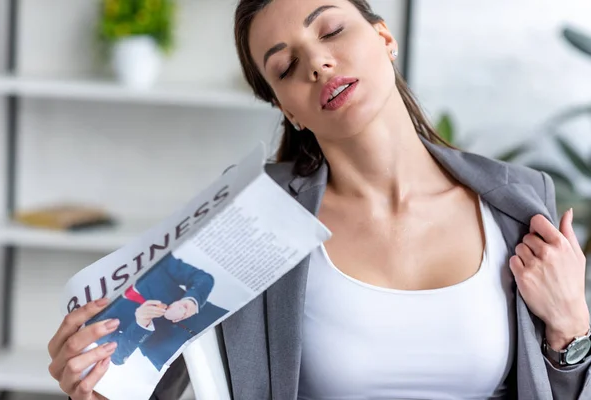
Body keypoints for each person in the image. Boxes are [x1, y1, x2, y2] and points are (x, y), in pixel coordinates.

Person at [48, 0, 591, 399]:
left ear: (384, 38)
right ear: (289, 110)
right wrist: (96, 378)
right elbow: (152, 384)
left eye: (331, 30)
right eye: (285, 67)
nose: (317, 63)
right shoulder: (253, 222)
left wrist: (572, 328)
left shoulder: (517, 204)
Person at [85, 252, 228, 372]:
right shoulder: (92, 313)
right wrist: (140, 324)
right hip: (177, 365)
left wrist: (190, 301)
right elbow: (117, 355)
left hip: (221, 323)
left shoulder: (150, 257)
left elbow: (202, 278)